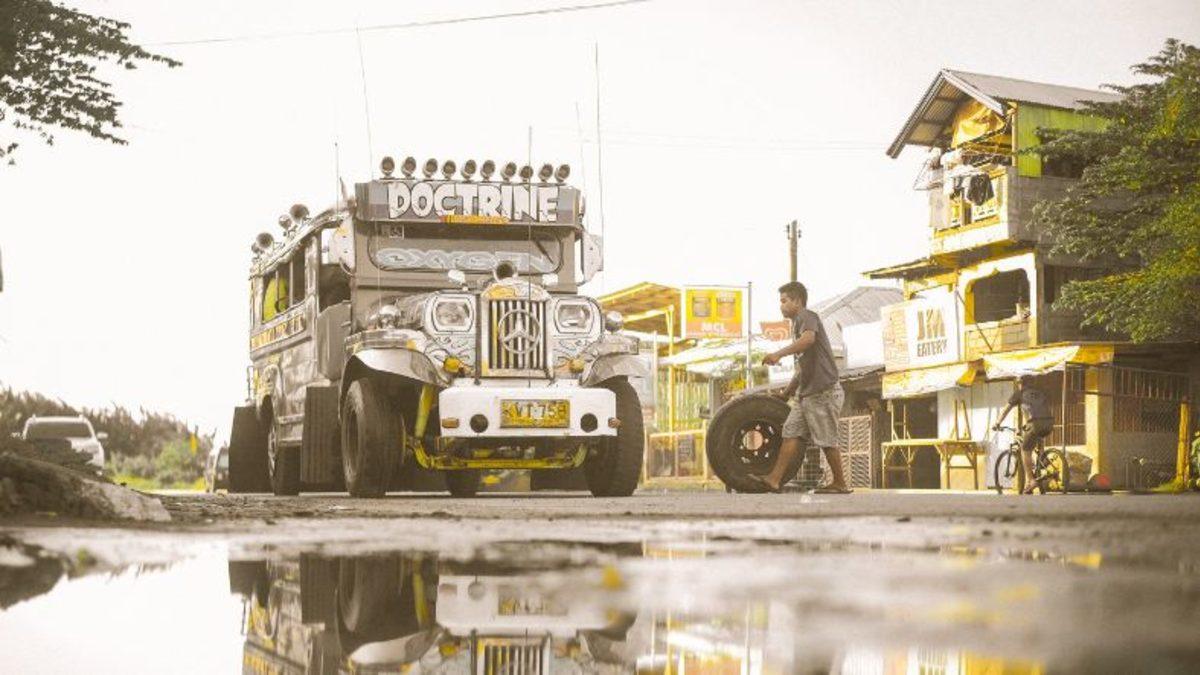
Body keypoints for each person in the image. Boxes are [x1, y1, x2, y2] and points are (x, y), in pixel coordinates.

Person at [753, 281, 850, 494]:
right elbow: (801, 369)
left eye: (784, 301)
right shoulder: (796, 326)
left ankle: (840, 482)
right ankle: (774, 479)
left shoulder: (807, 316)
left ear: (797, 301)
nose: (781, 306)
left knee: (826, 439)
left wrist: (778, 354)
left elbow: (809, 340)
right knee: (791, 432)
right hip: (806, 394)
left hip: (823, 392)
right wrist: (786, 393)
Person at [993, 376, 1054, 494]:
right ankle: (1042, 462)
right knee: (1035, 438)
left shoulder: (1020, 393)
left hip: (1034, 424)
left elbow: (1006, 409)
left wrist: (998, 423)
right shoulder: (1039, 392)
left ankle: (1031, 480)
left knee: (1025, 450)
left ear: (1020, 383)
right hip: (1049, 423)